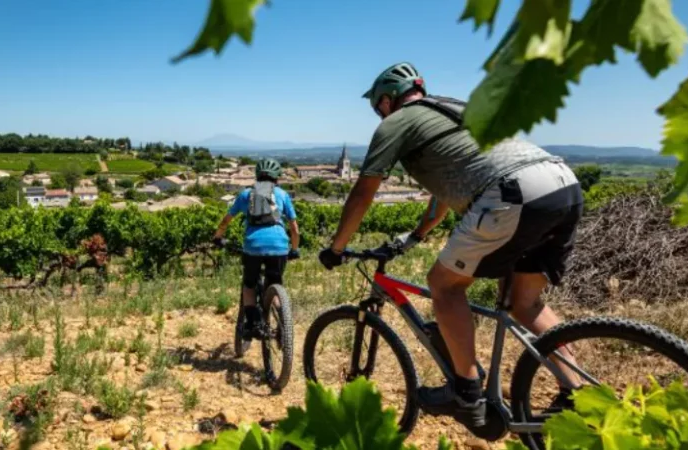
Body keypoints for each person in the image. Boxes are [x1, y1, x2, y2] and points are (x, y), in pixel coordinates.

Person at [318, 62, 584, 434]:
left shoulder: (396, 122)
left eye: (377, 106)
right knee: (525, 302)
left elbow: (364, 191)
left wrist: (337, 247)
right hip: (561, 184)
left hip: (512, 191)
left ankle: (465, 392)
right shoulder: (454, 109)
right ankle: (579, 393)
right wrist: (416, 236)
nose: (377, 112)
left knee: (444, 285)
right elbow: (442, 198)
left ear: (386, 99)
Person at [213, 158, 300, 339]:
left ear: (257, 175)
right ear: (277, 177)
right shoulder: (283, 195)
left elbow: (226, 220)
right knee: (275, 282)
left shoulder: (246, 195)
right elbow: (294, 228)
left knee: (249, 283)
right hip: (279, 246)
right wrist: (294, 249)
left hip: (253, 245)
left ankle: (253, 323)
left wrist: (218, 237)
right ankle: (283, 322)